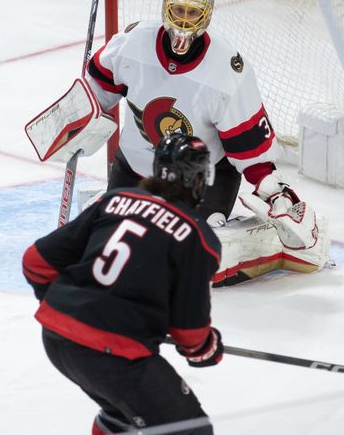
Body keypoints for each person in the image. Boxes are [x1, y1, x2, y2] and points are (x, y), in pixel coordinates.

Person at [79, 0, 327, 285]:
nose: (184, 20)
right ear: (166, 9)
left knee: (195, 262)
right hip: (136, 168)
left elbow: (249, 148)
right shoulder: (133, 43)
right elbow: (95, 92)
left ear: (205, 16)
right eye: (178, 10)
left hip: (203, 178)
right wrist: (75, 118)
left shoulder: (227, 71)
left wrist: (279, 197)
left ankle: (264, 244)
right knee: (113, 246)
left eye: (192, 13)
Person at [23, 133, 222, 435]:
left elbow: (35, 261)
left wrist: (67, 307)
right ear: (199, 179)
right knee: (192, 430)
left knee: (121, 416)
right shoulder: (198, 236)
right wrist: (207, 347)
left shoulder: (116, 199)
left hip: (56, 339)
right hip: (114, 357)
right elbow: (189, 334)